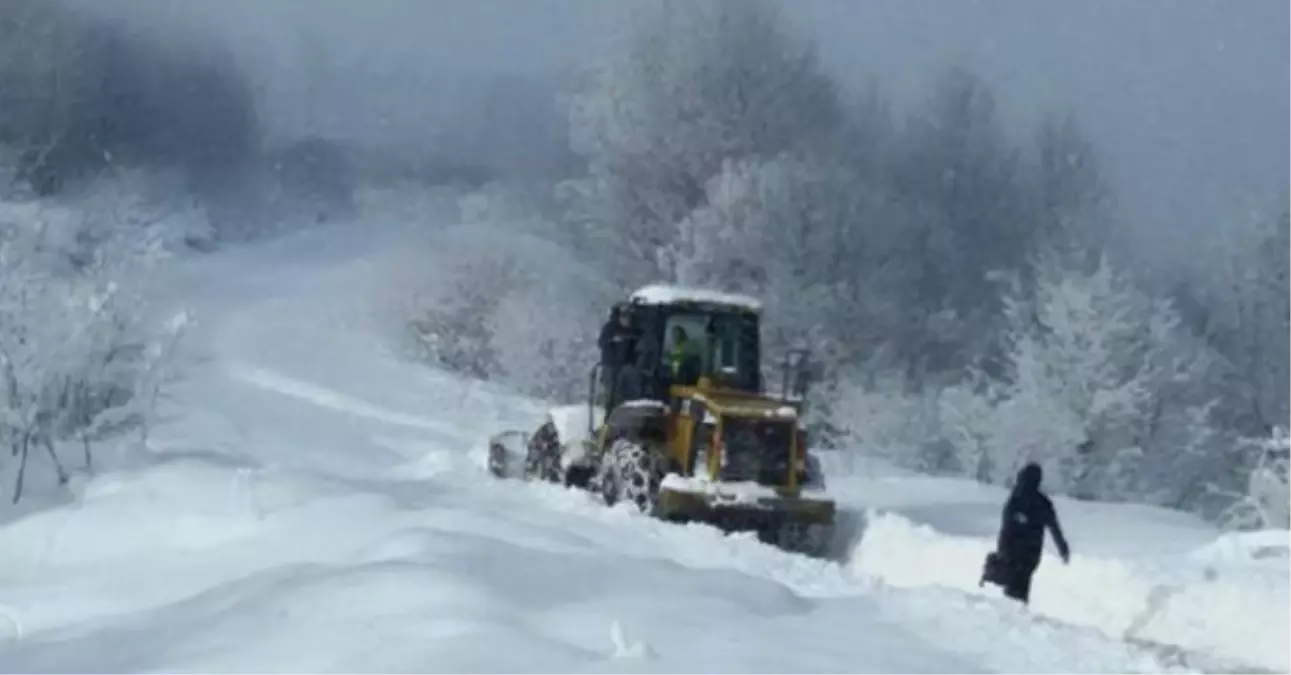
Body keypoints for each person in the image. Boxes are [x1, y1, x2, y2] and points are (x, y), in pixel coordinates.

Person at [993, 461, 1070, 604]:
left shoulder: (1015, 498)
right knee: (1023, 583)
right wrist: (1063, 548)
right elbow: (1054, 528)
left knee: (1012, 585)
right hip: (1031, 553)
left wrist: (1001, 550)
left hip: (1011, 551)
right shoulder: (1043, 502)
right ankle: (1019, 609)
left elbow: (1005, 526)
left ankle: (1012, 613)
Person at [598, 304, 636, 407]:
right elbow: (601, 342)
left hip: (625, 367)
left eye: (628, 316)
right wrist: (613, 340)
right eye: (624, 316)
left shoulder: (631, 330)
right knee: (611, 394)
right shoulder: (609, 328)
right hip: (610, 366)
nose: (627, 319)